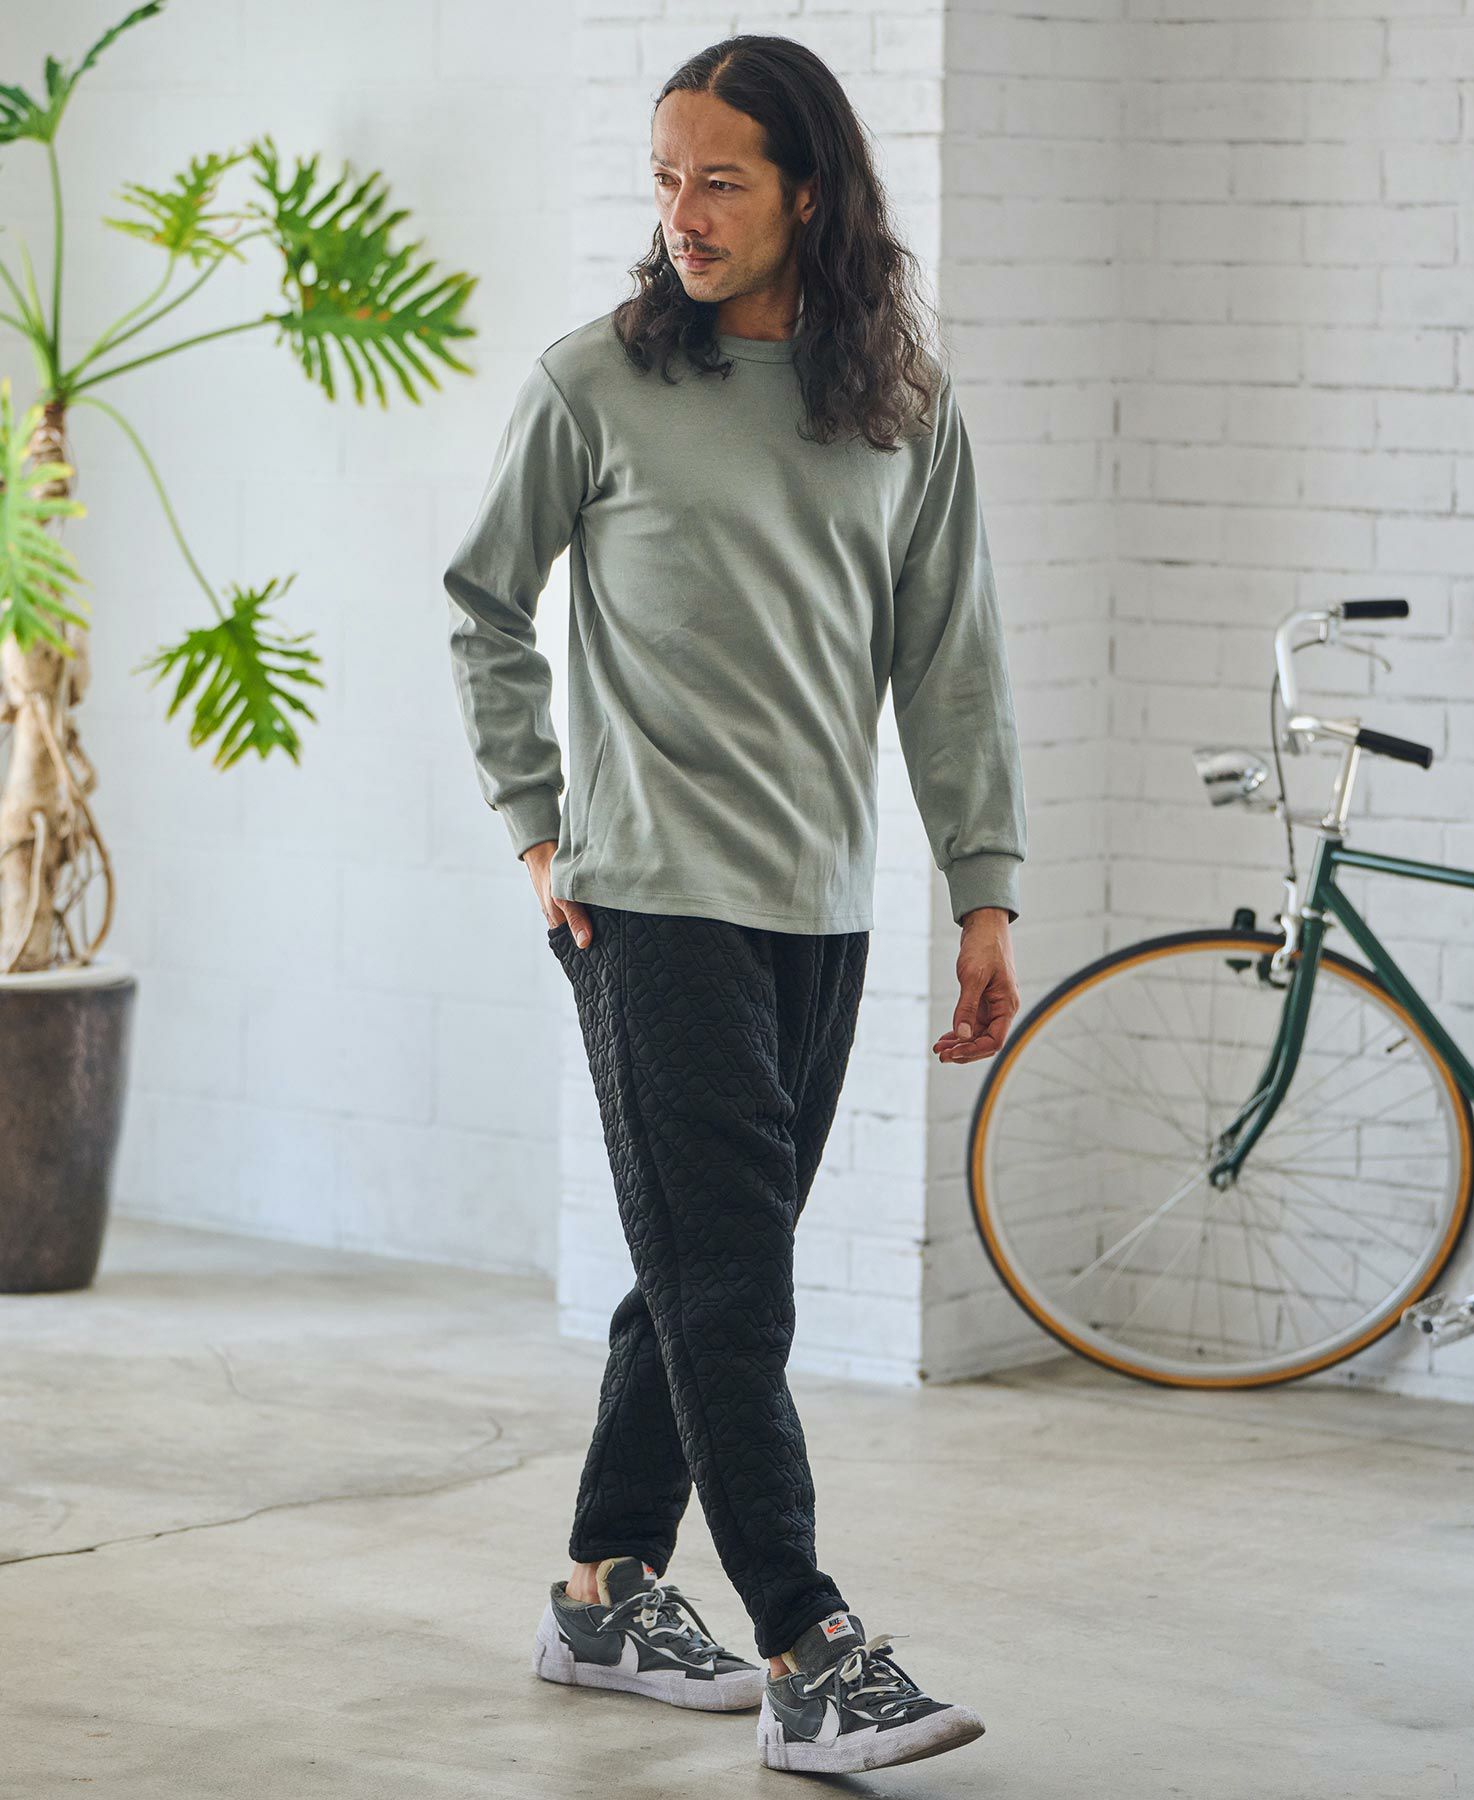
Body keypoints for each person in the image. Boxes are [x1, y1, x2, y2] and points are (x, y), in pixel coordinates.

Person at [443, 32, 1026, 1777]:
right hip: (643, 898)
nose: (683, 214)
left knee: (709, 1267)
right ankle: (808, 1647)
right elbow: (482, 602)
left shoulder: (900, 404)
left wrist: (983, 895)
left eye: (721, 180)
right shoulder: (596, 382)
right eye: (666, 179)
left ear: (809, 195)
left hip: (820, 902)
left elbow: (951, 660)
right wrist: (537, 828)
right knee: (734, 1292)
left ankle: (605, 1589)